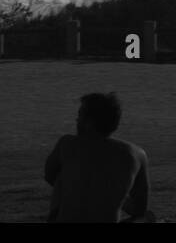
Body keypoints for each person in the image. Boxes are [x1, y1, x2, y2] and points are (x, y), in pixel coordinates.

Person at [44, 92, 150, 223]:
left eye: (80, 115)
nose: (76, 120)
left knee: (60, 177)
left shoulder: (67, 144)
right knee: (147, 218)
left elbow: (49, 176)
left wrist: (78, 188)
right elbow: (140, 208)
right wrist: (113, 195)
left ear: (90, 123)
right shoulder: (137, 154)